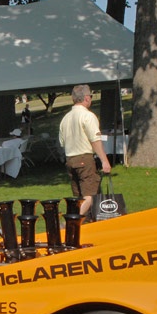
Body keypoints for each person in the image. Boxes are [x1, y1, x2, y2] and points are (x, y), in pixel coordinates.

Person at [59, 84, 111, 218]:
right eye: (91, 96)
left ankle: (83, 223)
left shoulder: (65, 118)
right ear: (86, 98)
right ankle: (72, 222)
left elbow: (62, 142)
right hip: (84, 158)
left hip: (70, 159)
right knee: (90, 194)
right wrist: (104, 160)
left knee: (78, 197)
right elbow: (95, 140)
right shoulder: (88, 116)